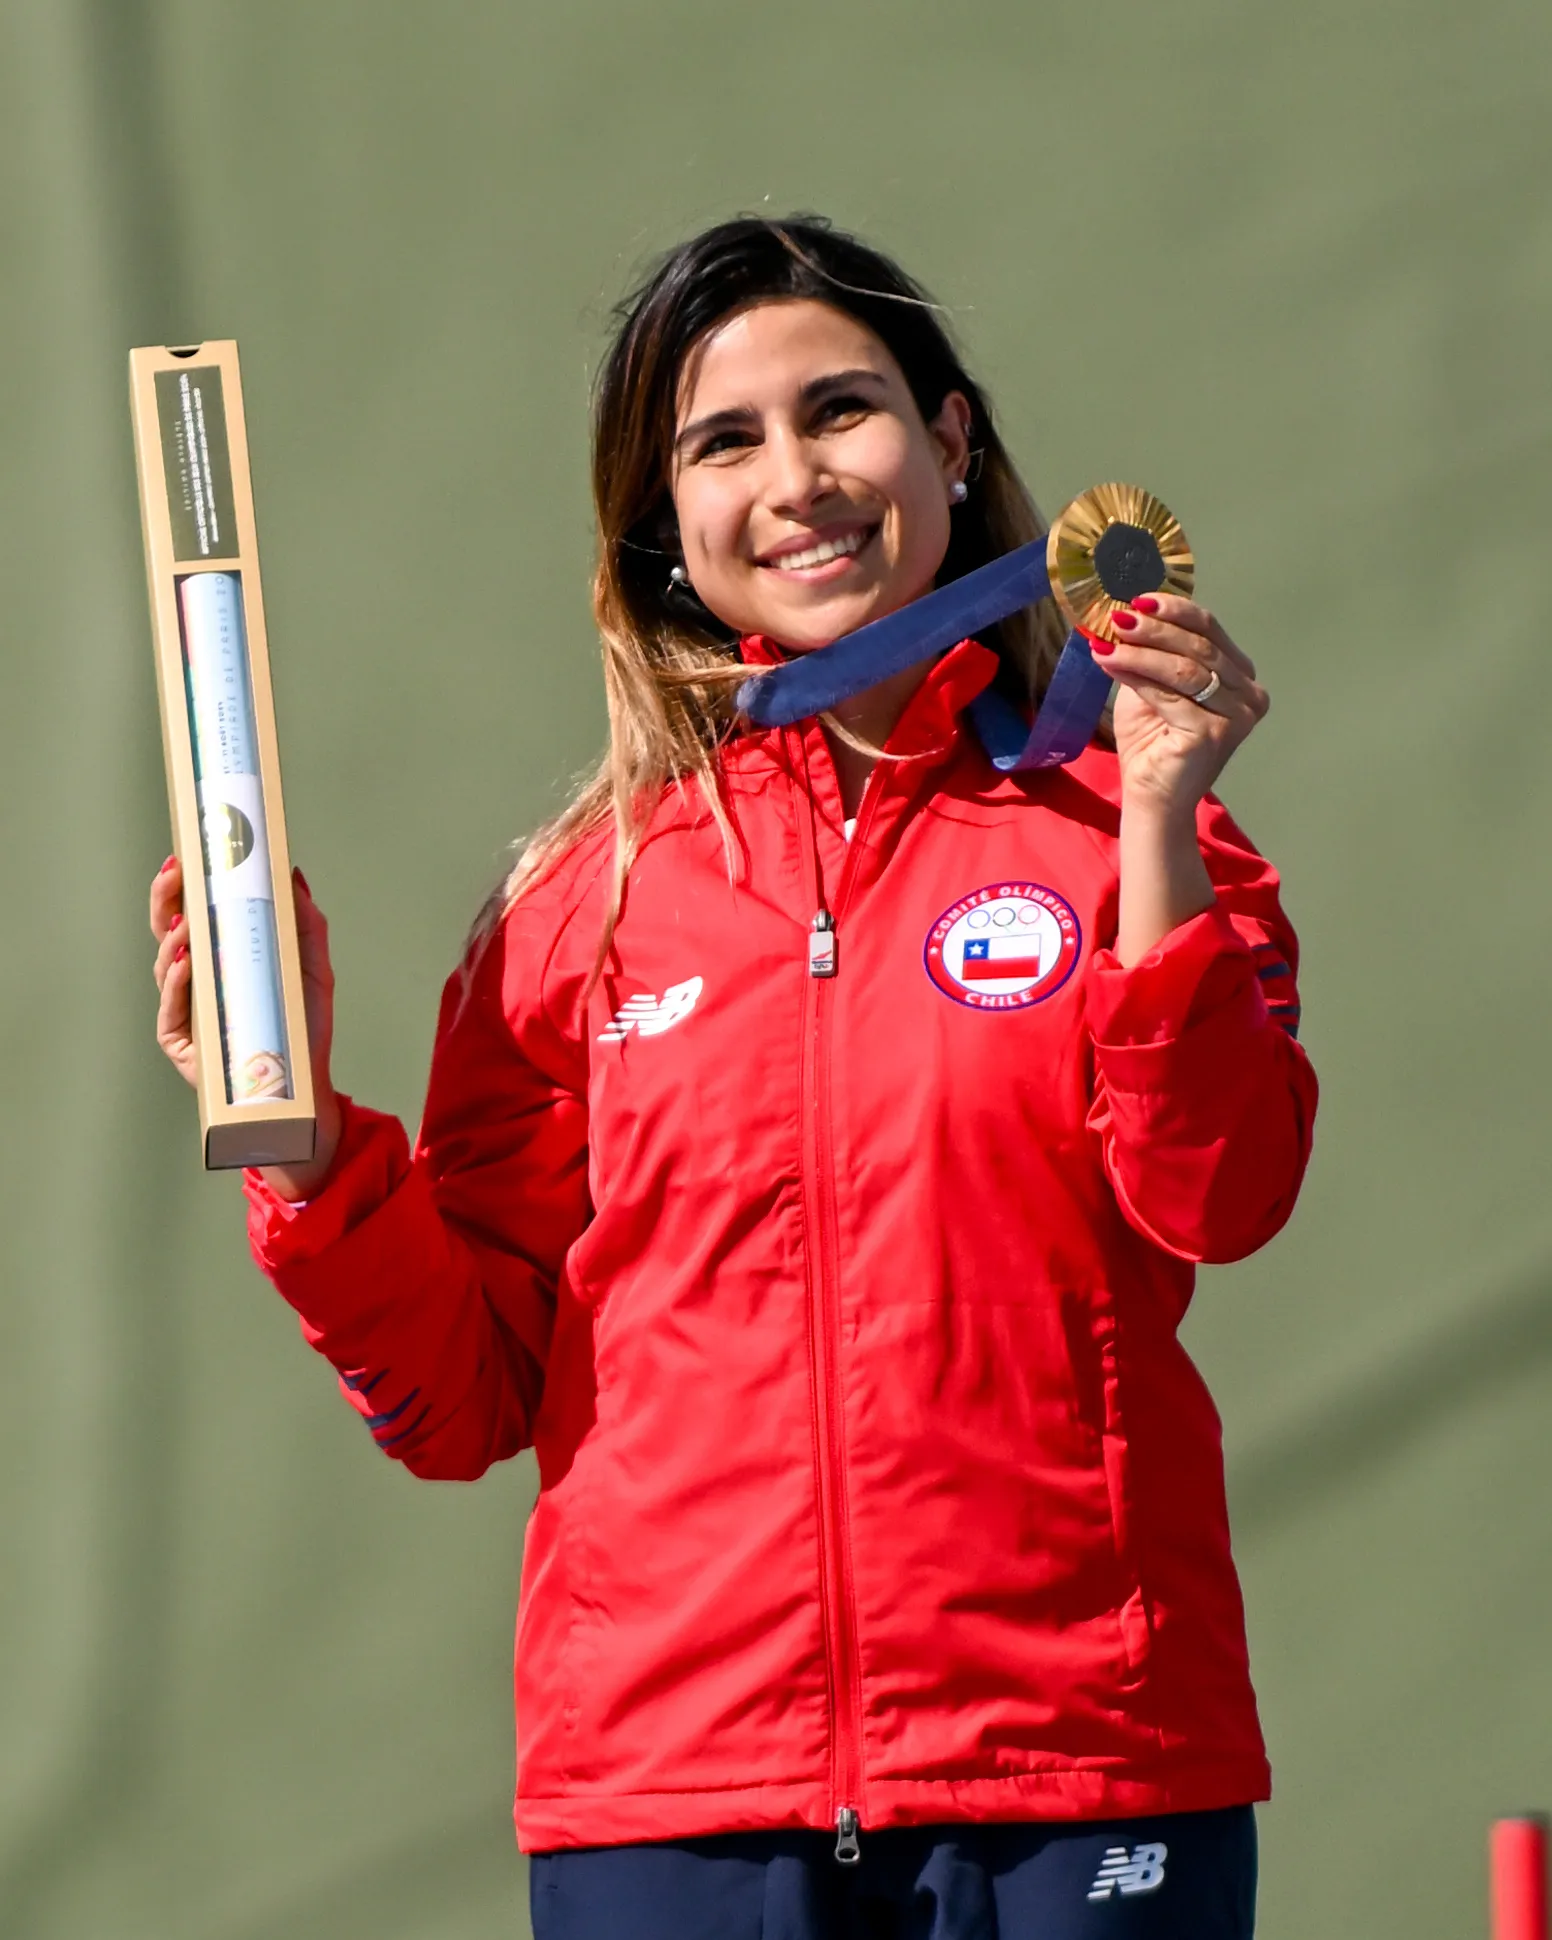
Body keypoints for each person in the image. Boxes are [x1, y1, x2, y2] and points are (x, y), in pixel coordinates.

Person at [149, 216, 1316, 1940]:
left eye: (842, 410)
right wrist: (311, 1151)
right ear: (665, 526)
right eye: (724, 442)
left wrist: (1153, 822)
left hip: (1077, 1771)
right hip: (673, 1802)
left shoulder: (1130, 838)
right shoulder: (580, 907)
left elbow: (1220, 1198)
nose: (797, 481)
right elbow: (469, 1396)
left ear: (950, 439)